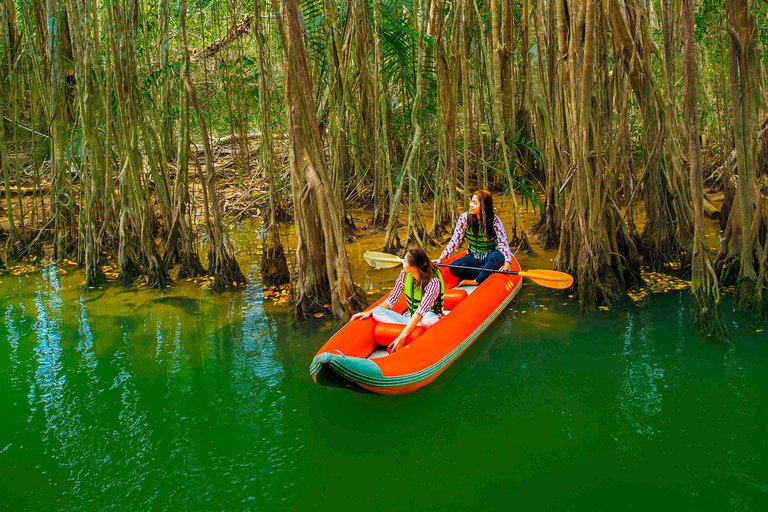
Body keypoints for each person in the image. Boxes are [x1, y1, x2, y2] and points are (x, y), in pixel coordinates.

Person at [351, 247, 444, 353]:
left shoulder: (433, 282)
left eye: (404, 261)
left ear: (413, 268)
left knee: (427, 320)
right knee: (377, 311)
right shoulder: (404, 275)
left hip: (427, 317)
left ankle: (412, 329)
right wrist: (369, 312)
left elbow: (421, 311)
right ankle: (411, 327)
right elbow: (392, 299)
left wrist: (403, 335)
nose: (402, 263)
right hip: (410, 317)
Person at [436, 189, 513, 286]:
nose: (471, 205)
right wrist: (441, 258)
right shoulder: (464, 218)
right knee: (454, 267)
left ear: (484, 206)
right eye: (471, 202)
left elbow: (503, 243)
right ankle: (485, 273)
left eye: (475, 203)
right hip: (473, 257)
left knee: (497, 257)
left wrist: (507, 263)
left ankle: (476, 281)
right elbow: (455, 240)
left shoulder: (495, 220)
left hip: (489, 257)